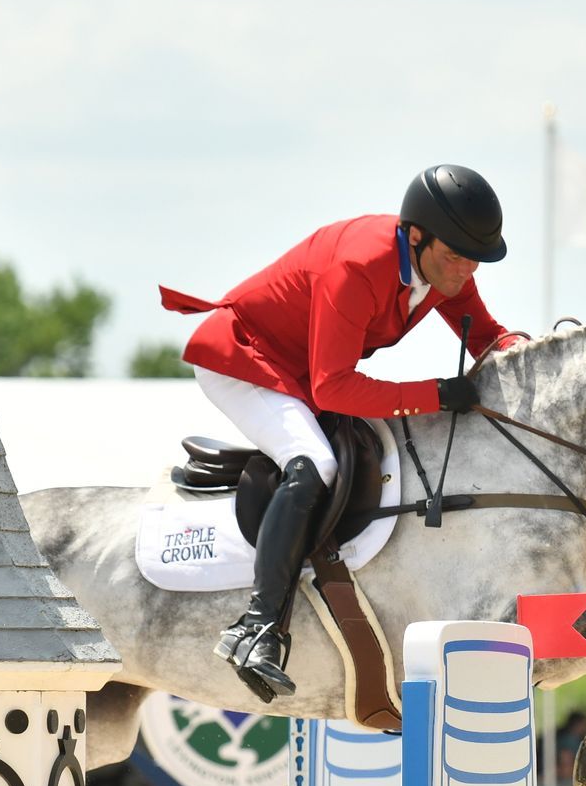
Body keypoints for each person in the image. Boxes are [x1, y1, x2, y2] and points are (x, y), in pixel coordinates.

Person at [160, 165, 526, 699]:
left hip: (302, 372)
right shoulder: (358, 266)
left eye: (475, 260)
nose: (465, 272)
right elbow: (334, 388)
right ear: (416, 237)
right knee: (316, 464)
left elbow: (490, 339)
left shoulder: (443, 266)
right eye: (456, 258)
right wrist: (434, 394)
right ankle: (255, 627)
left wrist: (545, 364)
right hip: (245, 359)